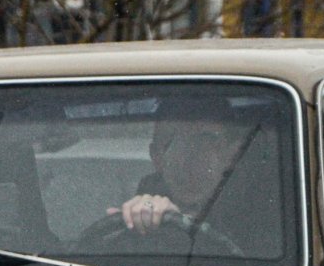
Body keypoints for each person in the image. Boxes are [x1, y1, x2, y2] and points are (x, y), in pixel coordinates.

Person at [108, 98, 260, 244]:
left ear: (231, 155)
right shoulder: (141, 203)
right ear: (156, 157)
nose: (188, 159)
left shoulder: (264, 211)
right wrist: (138, 220)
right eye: (171, 143)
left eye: (205, 142)